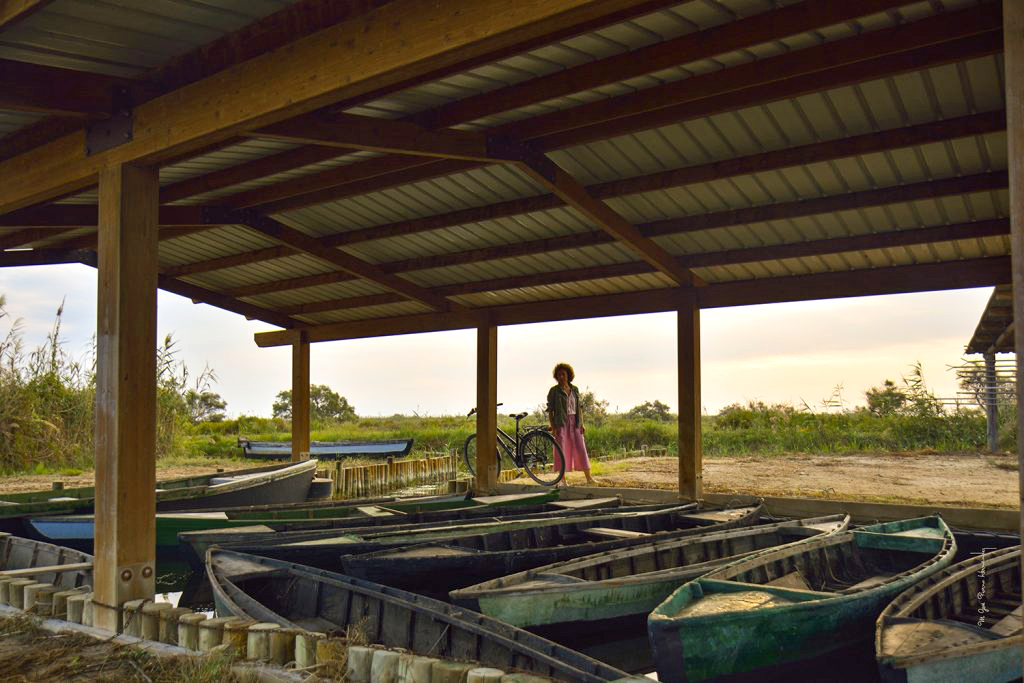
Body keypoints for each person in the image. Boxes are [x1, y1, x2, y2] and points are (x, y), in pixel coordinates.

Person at [546, 362, 596, 487]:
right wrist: (553, 426)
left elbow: (579, 408)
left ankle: (589, 478)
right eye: (559, 375)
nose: (561, 377)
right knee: (561, 450)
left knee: (581, 448)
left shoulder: (575, 389)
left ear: (568, 375)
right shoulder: (554, 391)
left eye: (563, 374)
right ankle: (562, 480)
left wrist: (582, 424)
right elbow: (550, 411)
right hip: (561, 423)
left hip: (575, 422)